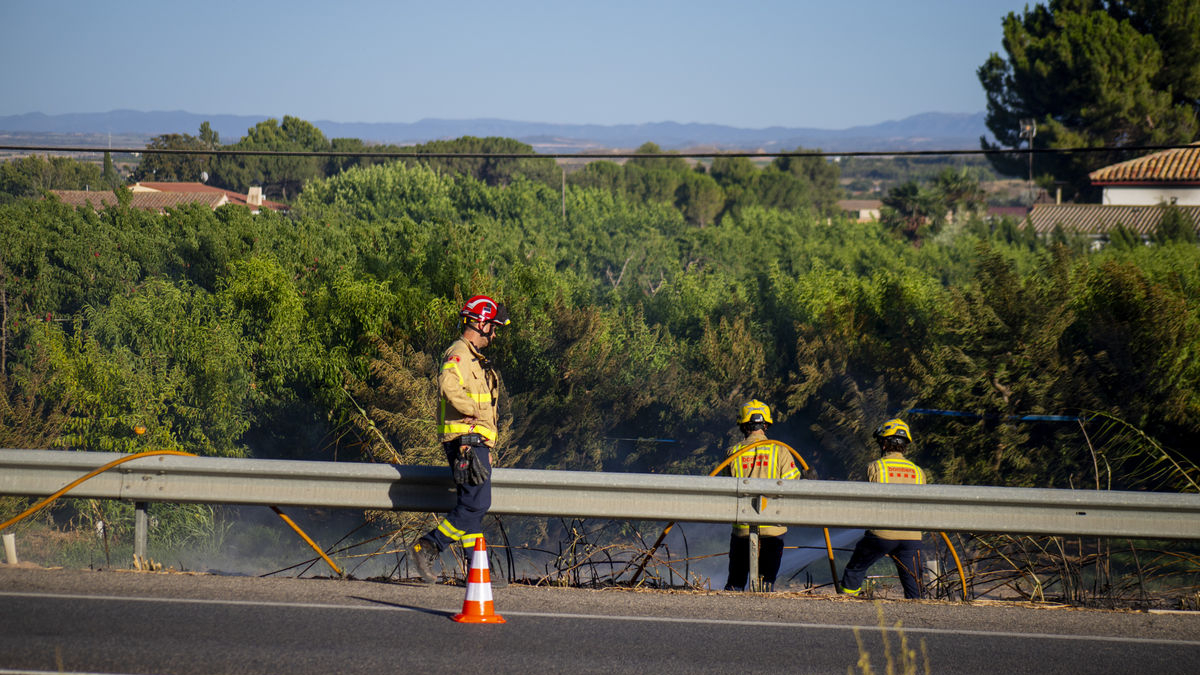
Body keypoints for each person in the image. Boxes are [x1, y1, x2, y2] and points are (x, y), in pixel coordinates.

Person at [407, 295, 510, 584]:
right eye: (493, 326)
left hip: (476, 441)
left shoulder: (474, 358)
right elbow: (447, 385)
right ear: (480, 323)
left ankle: (478, 573)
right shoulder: (459, 353)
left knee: (471, 507)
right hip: (466, 440)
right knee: (476, 504)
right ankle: (428, 546)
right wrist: (472, 412)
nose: (494, 332)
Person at [721, 399, 807, 592]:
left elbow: (724, 488)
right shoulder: (781, 451)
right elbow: (793, 485)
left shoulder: (733, 452)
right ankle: (764, 595)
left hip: (742, 526)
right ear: (766, 424)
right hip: (773, 527)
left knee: (735, 582)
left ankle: (729, 606)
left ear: (743, 425)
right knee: (766, 582)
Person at [840, 418, 928, 599]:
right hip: (911, 536)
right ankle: (918, 614)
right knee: (915, 585)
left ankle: (846, 602)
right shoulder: (919, 471)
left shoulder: (876, 467)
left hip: (882, 534)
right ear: (905, 445)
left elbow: (865, 501)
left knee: (855, 569)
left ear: (885, 443)